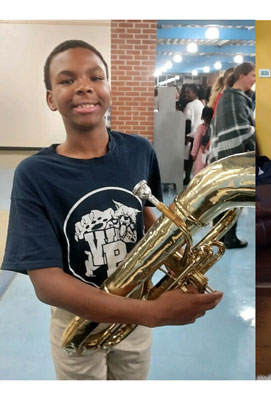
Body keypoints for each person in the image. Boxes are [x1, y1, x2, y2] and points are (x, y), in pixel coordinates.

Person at [1, 40, 222, 380]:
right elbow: (46, 283)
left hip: (136, 311)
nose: (84, 86)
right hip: (77, 318)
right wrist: (150, 313)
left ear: (108, 88)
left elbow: (145, 220)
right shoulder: (35, 174)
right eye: (66, 80)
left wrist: (178, 270)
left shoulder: (139, 150)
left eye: (95, 76)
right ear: (50, 98)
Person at [208, 62, 256, 249]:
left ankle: (222, 236)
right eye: (252, 75)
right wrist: (255, 136)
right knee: (233, 197)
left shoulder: (232, 96)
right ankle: (228, 237)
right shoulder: (233, 98)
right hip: (233, 156)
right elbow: (240, 130)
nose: (253, 80)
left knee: (227, 197)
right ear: (241, 76)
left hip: (227, 155)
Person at [190, 106, 213, 176]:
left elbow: (196, 141)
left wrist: (193, 154)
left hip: (201, 154)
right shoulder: (214, 127)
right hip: (211, 153)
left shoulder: (201, 127)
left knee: (199, 174)